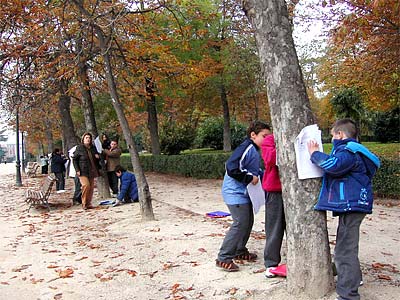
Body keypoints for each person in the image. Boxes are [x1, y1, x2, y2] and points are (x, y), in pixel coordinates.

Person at [307, 119, 380, 300]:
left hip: (352, 204)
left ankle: (348, 294)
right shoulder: (354, 149)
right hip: (354, 204)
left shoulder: (348, 151)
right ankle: (355, 279)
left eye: (332, 135)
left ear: (340, 134)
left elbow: (334, 165)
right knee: (346, 245)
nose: (332, 139)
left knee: (344, 250)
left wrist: (315, 154)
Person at [215, 121, 271, 272]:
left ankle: (239, 251)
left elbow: (254, 169)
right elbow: (231, 167)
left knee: (247, 222)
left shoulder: (254, 149)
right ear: (253, 135)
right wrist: (248, 178)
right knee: (240, 223)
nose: (267, 139)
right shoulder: (246, 147)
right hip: (235, 193)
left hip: (245, 194)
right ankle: (224, 257)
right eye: (264, 136)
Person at [261, 133, 286, 278]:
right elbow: (270, 159)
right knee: (274, 227)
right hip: (275, 191)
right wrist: (286, 146)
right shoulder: (270, 139)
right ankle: (271, 263)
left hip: (295, 189)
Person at [73, 132, 101, 210]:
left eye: (89, 138)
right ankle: (84, 203)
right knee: (86, 185)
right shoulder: (79, 148)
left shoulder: (93, 148)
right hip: (82, 170)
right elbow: (74, 159)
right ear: (83, 139)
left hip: (92, 170)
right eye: (86, 138)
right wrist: (77, 169)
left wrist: (97, 157)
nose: (88, 139)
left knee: (91, 187)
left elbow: (97, 158)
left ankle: (88, 203)